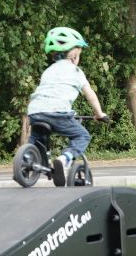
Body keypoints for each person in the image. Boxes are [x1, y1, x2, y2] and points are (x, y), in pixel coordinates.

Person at [27, 26, 108, 186]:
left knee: (37, 139)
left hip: (35, 111)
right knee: (82, 135)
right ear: (74, 56)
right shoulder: (76, 71)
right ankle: (64, 160)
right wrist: (99, 113)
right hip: (58, 113)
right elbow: (90, 94)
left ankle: (28, 158)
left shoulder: (48, 71)